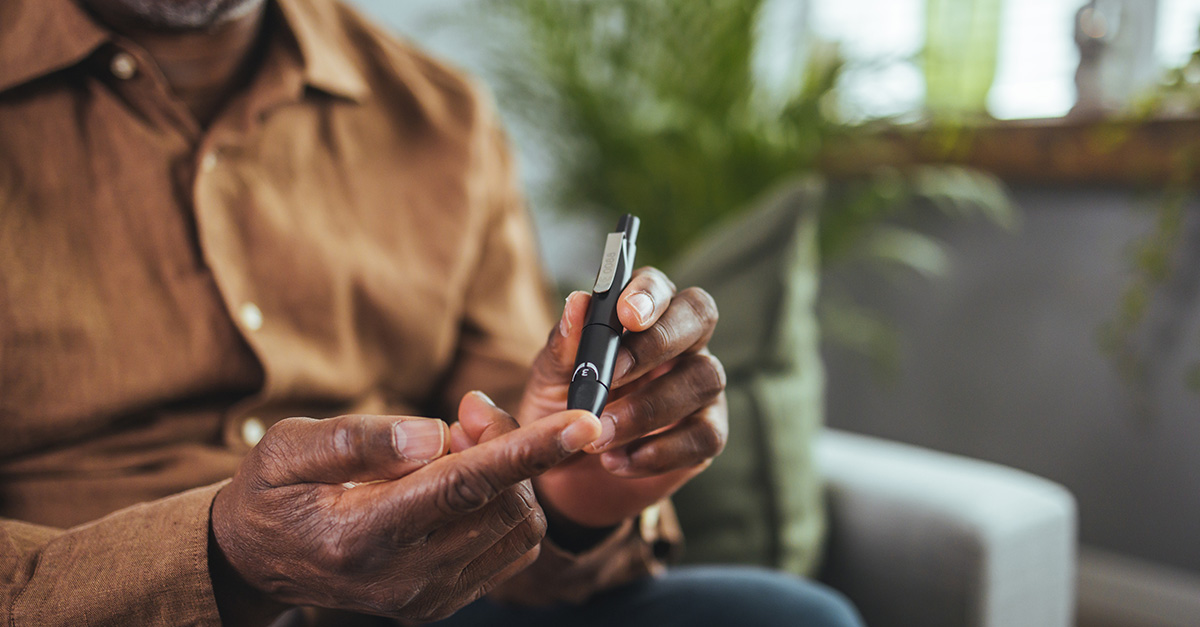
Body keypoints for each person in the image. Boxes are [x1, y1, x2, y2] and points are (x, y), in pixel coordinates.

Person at [0, 0, 864, 625]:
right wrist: (224, 555)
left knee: (793, 618)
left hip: (421, 611)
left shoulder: (442, 118)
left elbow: (508, 457)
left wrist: (574, 489)